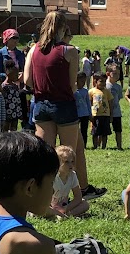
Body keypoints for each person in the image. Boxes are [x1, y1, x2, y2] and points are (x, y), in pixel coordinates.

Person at [26, 10, 98, 198]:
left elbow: (27, 79)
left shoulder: (34, 49)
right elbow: (72, 83)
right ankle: (72, 194)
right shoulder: (70, 50)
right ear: (64, 28)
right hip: (64, 105)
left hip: (41, 105)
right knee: (69, 154)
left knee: (46, 154)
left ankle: (43, 193)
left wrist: (43, 87)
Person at [48, 145, 89, 218]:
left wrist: (66, 208)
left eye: (72, 161)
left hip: (64, 205)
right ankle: (59, 215)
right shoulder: (53, 177)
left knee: (85, 204)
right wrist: (54, 208)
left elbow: (78, 197)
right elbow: (44, 198)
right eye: (66, 162)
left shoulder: (72, 175)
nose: (70, 165)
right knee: (43, 209)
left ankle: (66, 215)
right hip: (50, 205)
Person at [89, 73, 112, 150]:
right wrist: (90, 114)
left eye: (105, 82)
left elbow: (110, 103)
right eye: (101, 81)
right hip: (96, 114)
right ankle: (95, 146)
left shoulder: (107, 91)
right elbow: (89, 103)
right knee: (95, 132)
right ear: (95, 81)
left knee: (105, 132)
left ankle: (103, 146)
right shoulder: (91, 91)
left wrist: (111, 115)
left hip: (105, 114)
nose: (103, 83)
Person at [1, 64, 25, 133]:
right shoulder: (3, 87)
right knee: (5, 130)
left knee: (14, 130)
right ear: (9, 74)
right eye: (16, 74)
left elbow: (18, 101)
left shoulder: (15, 86)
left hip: (15, 112)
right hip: (6, 113)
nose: (17, 76)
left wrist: (19, 112)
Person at [106, 66, 125, 150]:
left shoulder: (118, 87)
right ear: (108, 74)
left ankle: (119, 146)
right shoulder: (105, 85)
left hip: (116, 112)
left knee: (118, 130)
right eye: (114, 73)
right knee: (105, 130)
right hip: (105, 111)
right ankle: (103, 145)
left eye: (118, 74)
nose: (117, 76)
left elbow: (119, 97)